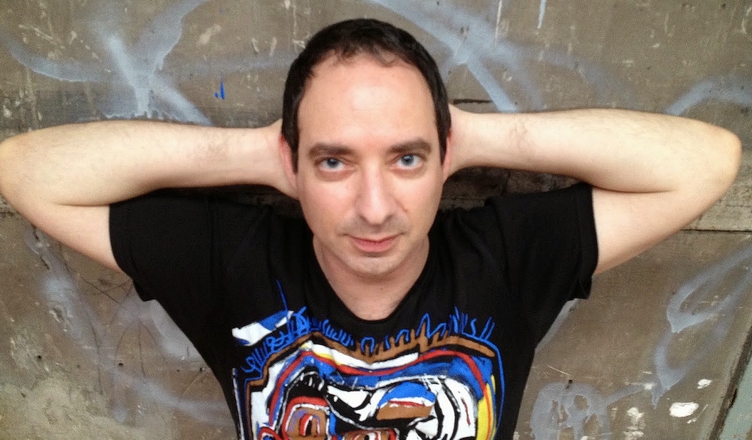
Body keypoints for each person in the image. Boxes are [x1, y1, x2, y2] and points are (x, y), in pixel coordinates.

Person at [0, 18, 741, 440]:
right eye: (335, 162)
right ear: (294, 163)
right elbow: (25, 171)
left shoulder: (508, 260)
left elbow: (706, 163)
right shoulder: (234, 262)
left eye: (407, 158)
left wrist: (471, 138)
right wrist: (264, 152)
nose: (376, 206)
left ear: (443, 157)